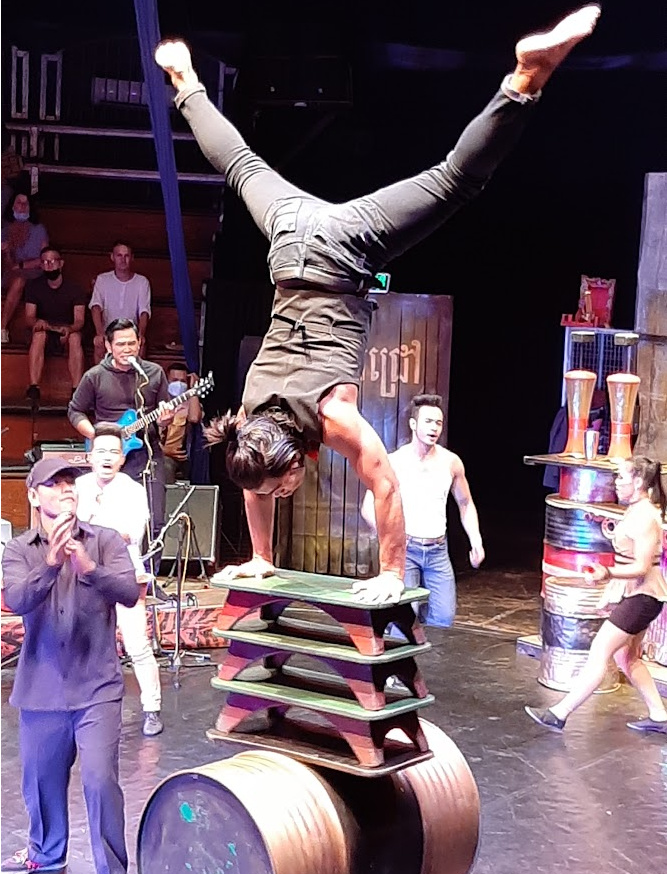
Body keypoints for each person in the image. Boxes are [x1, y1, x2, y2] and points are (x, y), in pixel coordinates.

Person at [155, 5, 601, 604]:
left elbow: (386, 485)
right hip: (289, 242)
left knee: (453, 184)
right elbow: (252, 484)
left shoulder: (331, 421)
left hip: (340, 255)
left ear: (292, 458)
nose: (284, 492)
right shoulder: (246, 426)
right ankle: (185, 82)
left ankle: (525, 79)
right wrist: (261, 558)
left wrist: (391, 572)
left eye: (286, 484)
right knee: (241, 169)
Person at [0, 456, 140, 874]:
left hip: (96, 688)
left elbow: (129, 592)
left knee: (101, 784)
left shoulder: (104, 541)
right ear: (34, 496)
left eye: (70, 484)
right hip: (40, 690)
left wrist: (86, 566)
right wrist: (53, 563)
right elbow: (16, 599)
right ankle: (46, 853)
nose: (66, 491)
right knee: (39, 784)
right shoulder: (19, 550)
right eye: (54, 484)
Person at [526, 456, 667, 736]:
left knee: (600, 652)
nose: (616, 482)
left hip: (643, 598)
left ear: (638, 482)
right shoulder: (635, 510)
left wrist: (607, 573)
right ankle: (660, 716)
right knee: (628, 658)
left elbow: (640, 566)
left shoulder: (646, 516)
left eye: (621, 477)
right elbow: (629, 539)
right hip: (638, 595)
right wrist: (605, 521)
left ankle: (559, 713)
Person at [361, 394, 484, 628]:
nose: (434, 428)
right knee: (403, 619)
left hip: (438, 550)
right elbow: (368, 507)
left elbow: (465, 503)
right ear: (413, 424)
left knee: (443, 617)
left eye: (438, 423)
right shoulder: (395, 462)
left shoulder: (451, 462)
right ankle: (401, 663)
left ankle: (432, 663)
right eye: (428, 421)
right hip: (406, 550)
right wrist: (391, 537)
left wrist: (475, 541)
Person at [76, 423, 164, 736]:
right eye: (101, 451)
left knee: (137, 644)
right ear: (90, 456)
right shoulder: (79, 488)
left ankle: (152, 708)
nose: (107, 457)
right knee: (86, 644)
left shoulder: (133, 490)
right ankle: (89, 707)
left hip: (125, 574)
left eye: (114, 452)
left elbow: (130, 534)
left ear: (122, 459)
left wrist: (93, 528)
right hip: (86, 577)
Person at [67, 318, 173, 541]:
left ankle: (147, 574)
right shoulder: (95, 376)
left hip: (146, 452)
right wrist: (99, 437)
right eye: (121, 344)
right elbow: (75, 411)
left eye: (131, 343)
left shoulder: (153, 373)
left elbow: (163, 418)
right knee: (105, 518)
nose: (127, 349)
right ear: (108, 346)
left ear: (140, 342)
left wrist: (165, 420)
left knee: (155, 523)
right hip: (109, 455)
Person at [24, 245, 88, 406]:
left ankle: (76, 389)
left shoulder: (74, 289)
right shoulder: (34, 287)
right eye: (45, 262)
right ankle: (34, 387)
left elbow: (79, 320)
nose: (48, 265)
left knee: (75, 338)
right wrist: (37, 322)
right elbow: (29, 317)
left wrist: (69, 329)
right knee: (38, 335)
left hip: (66, 332)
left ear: (61, 263)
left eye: (52, 261)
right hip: (45, 332)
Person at [89, 241, 152, 363]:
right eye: (119, 255)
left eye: (126, 256)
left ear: (132, 258)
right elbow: (96, 307)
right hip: (109, 332)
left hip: (130, 332)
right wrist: (99, 333)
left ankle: (136, 381)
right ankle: (101, 381)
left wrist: (140, 334)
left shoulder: (142, 282)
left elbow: (144, 311)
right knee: (98, 343)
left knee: (141, 344)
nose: (123, 260)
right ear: (112, 257)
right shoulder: (102, 279)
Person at [1, 192, 49, 342]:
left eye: (25, 203)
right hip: (12, 273)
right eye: (18, 203)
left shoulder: (39, 229)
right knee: (17, 280)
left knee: (20, 280)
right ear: (12, 205)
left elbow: (45, 257)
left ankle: (2, 328)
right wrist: (7, 252)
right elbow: (9, 265)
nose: (21, 207)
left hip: (34, 273)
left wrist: (21, 265)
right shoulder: (5, 229)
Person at [161, 363, 203, 483]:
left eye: (182, 381)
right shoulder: (157, 402)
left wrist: (193, 391)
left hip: (178, 458)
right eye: (174, 380)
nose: (178, 384)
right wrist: (163, 450)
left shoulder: (191, 404)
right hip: (156, 452)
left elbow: (194, 418)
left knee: (166, 466)